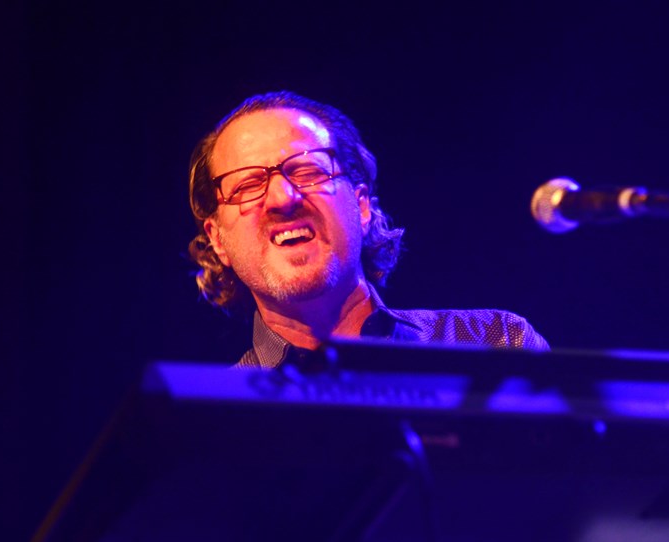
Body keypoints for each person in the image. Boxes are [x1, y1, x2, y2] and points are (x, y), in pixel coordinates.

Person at [187, 91, 548, 367]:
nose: (283, 197)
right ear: (218, 240)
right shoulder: (207, 421)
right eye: (247, 185)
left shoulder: (498, 347)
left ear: (361, 206)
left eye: (308, 170)